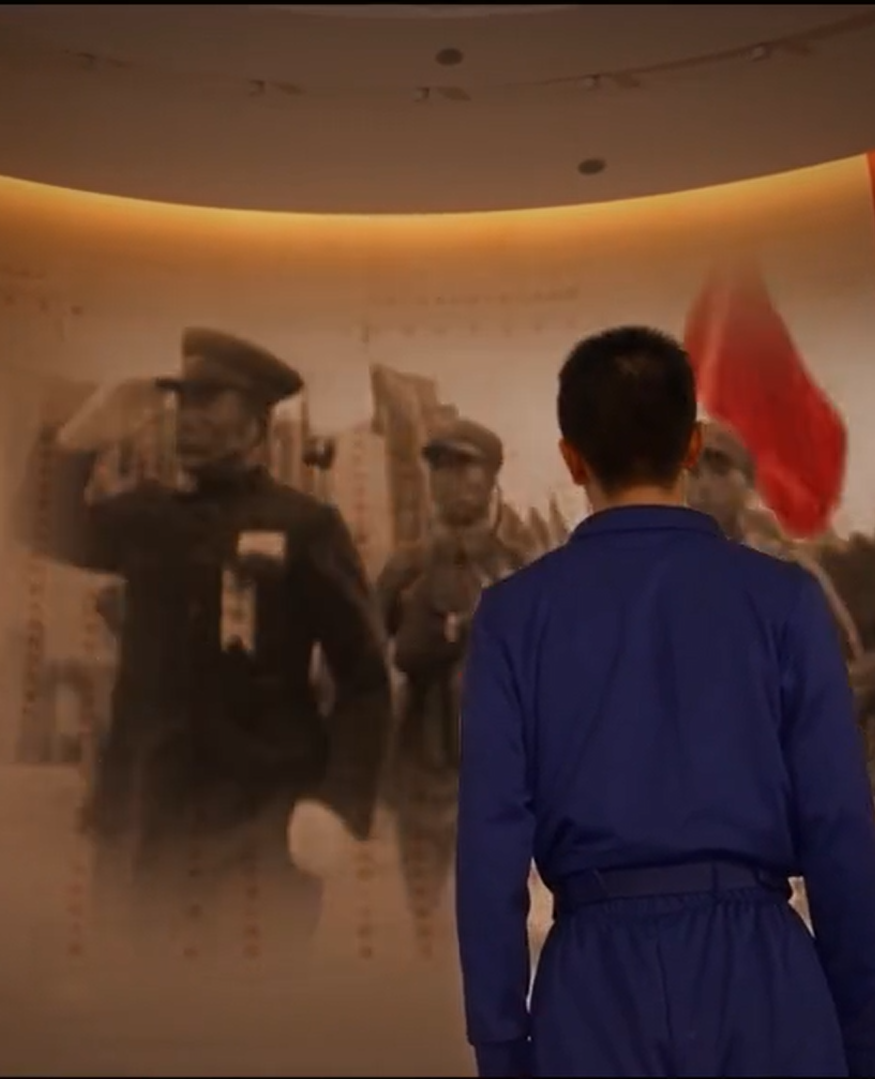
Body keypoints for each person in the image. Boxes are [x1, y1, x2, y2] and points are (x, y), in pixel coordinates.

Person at [456, 325, 875, 1078]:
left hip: (591, 985)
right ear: (692, 444)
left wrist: (499, 1039)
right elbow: (839, 829)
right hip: (763, 975)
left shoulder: (513, 616)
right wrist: (862, 1029)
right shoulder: (783, 600)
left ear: (571, 458)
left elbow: (490, 851)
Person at [17, 328, 391, 944]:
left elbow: (365, 678)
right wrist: (79, 439)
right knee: (140, 991)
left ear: (257, 423)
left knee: (249, 995)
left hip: (259, 823)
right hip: (145, 820)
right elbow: (38, 525)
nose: (188, 416)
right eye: (182, 399)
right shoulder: (147, 516)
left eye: (209, 400)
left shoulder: (306, 526)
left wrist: (338, 801)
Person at [376, 418, 536, 918]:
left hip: (501, 775)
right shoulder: (405, 569)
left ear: (492, 476)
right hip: (422, 769)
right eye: (441, 468)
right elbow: (364, 663)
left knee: (493, 916)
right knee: (424, 918)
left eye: (466, 466)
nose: (452, 480)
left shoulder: (522, 568)